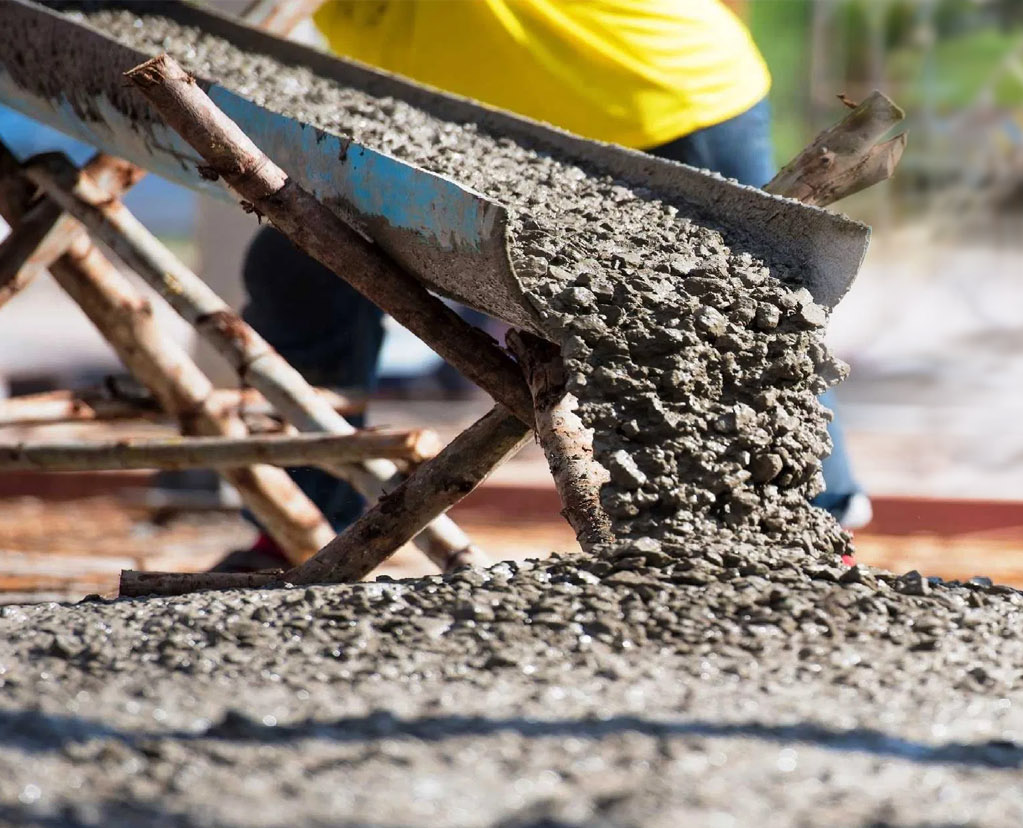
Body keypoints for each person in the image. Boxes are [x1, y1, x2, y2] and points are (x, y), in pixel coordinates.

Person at [216, 0, 870, 570]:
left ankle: (807, 532)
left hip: (650, 96)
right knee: (301, 273)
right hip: (441, 117)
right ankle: (295, 524)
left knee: (731, 325)